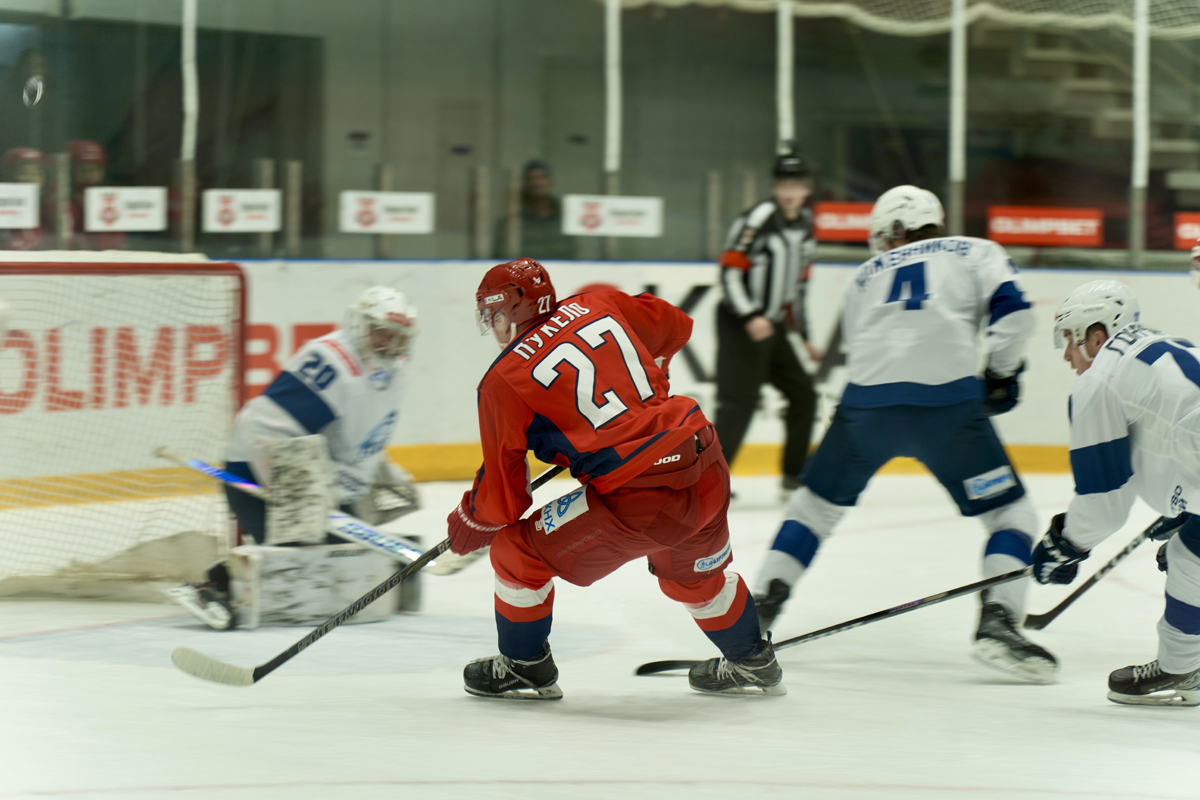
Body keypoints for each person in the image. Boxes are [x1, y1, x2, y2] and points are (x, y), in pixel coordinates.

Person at [752, 185, 1056, 683]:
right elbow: (1016, 315)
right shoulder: (976, 251)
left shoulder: (865, 274)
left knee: (812, 509)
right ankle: (999, 619)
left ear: (894, 231)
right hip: (948, 409)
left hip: (864, 409)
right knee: (1010, 514)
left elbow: (861, 346)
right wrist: (1001, 374)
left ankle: (758, 612)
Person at [449, 257, 782, 699]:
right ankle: (751, 660)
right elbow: (676, 324)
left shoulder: (502, 380)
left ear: (513, 309)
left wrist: (471, 519)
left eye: (494, 315)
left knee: (515, 553)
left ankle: (524, 666)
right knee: (691, 576)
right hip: (704, 459)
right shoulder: (597, 303)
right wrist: (647, 386)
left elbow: (503, 501)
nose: (494, 326)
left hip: (641, 494)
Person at [168, 286, 421, 628]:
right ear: (359, 325)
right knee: (312, 557)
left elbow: (351, 435)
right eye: (380, 333)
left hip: (321, 479)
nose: (389, 344)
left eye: (398, 337)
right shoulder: (332, 362)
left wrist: (374, 467)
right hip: (255, 472)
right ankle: (216, 586)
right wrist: (301, 494)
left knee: (350, 554)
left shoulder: (397, 370)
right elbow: (262, 430)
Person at [1032, 280, 1200, 706]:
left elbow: (1105, 502)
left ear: (1096, 335)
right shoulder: (1165, 344)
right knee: (1190, 551)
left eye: (1069, 339)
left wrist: (1065, 545)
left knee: (1190, 558)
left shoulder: (1100, 380)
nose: (1066, 355)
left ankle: (1182, 669)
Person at [714, 148, 821, 498]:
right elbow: (730, 271)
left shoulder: (806, 225)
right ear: (774, 187)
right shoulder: (758, 219)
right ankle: (708, 484)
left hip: (772, 325)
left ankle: (793, 476)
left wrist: (804, 335)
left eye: (797, 184)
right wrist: (749, 315)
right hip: (740, 323)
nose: (790, 191)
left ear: (807, 189)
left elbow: (799, 286)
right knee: (739, 402)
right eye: (784, 184)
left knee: (803, 395)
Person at [494, 160, 577, 261]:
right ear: (524, 183)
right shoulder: (511, 223)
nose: (537, 183)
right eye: (531, 178)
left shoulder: (566, 218)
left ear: (550, 180)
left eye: (542, 177)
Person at [66, 140, 124, 250]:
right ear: (73, 172)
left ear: (102, 172)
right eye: (82, 169)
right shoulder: (68, 203)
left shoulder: (113, 200)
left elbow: (118, 240)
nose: (88, 175)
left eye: (93, 169)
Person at [1, 148, 47, 251]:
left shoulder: (49, 206)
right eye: (24, 173)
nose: (30, 178)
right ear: (10, 176)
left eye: (36, 174)